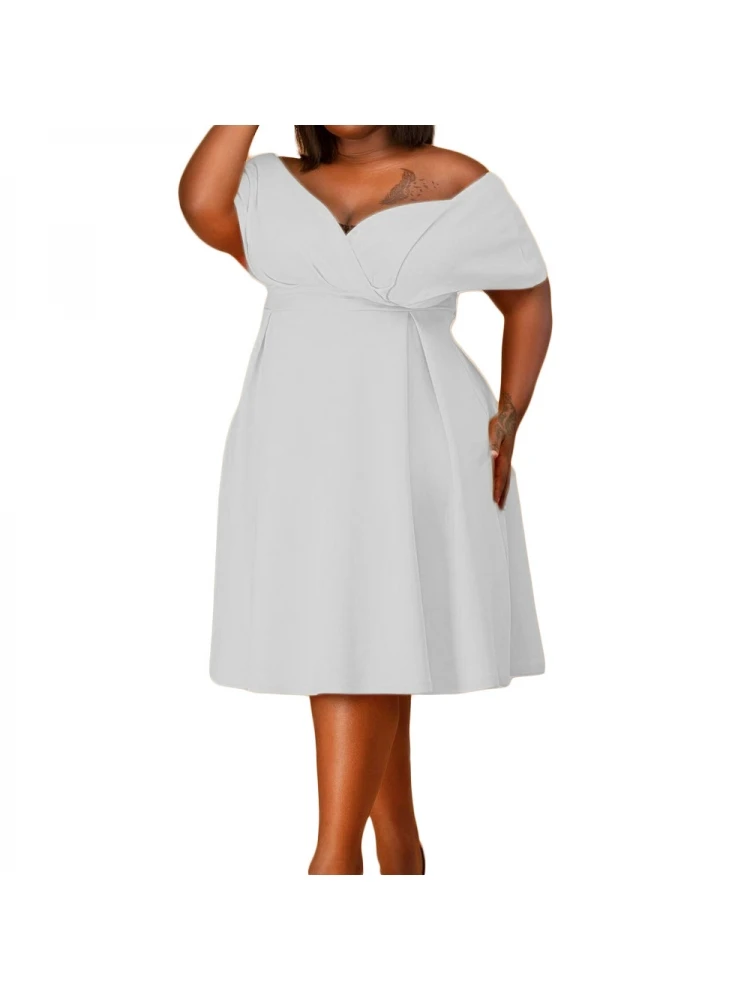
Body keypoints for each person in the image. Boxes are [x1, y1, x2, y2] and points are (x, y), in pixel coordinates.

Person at [178, 125, 553, 875]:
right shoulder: (266, 183)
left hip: (413, 429)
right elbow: (199, 205)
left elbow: (529, 296)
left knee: (360, 633)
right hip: (293, 443)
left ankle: (333, 863)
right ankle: (401, 854)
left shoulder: (456, 176)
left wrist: (509, 417)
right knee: (365, 632)